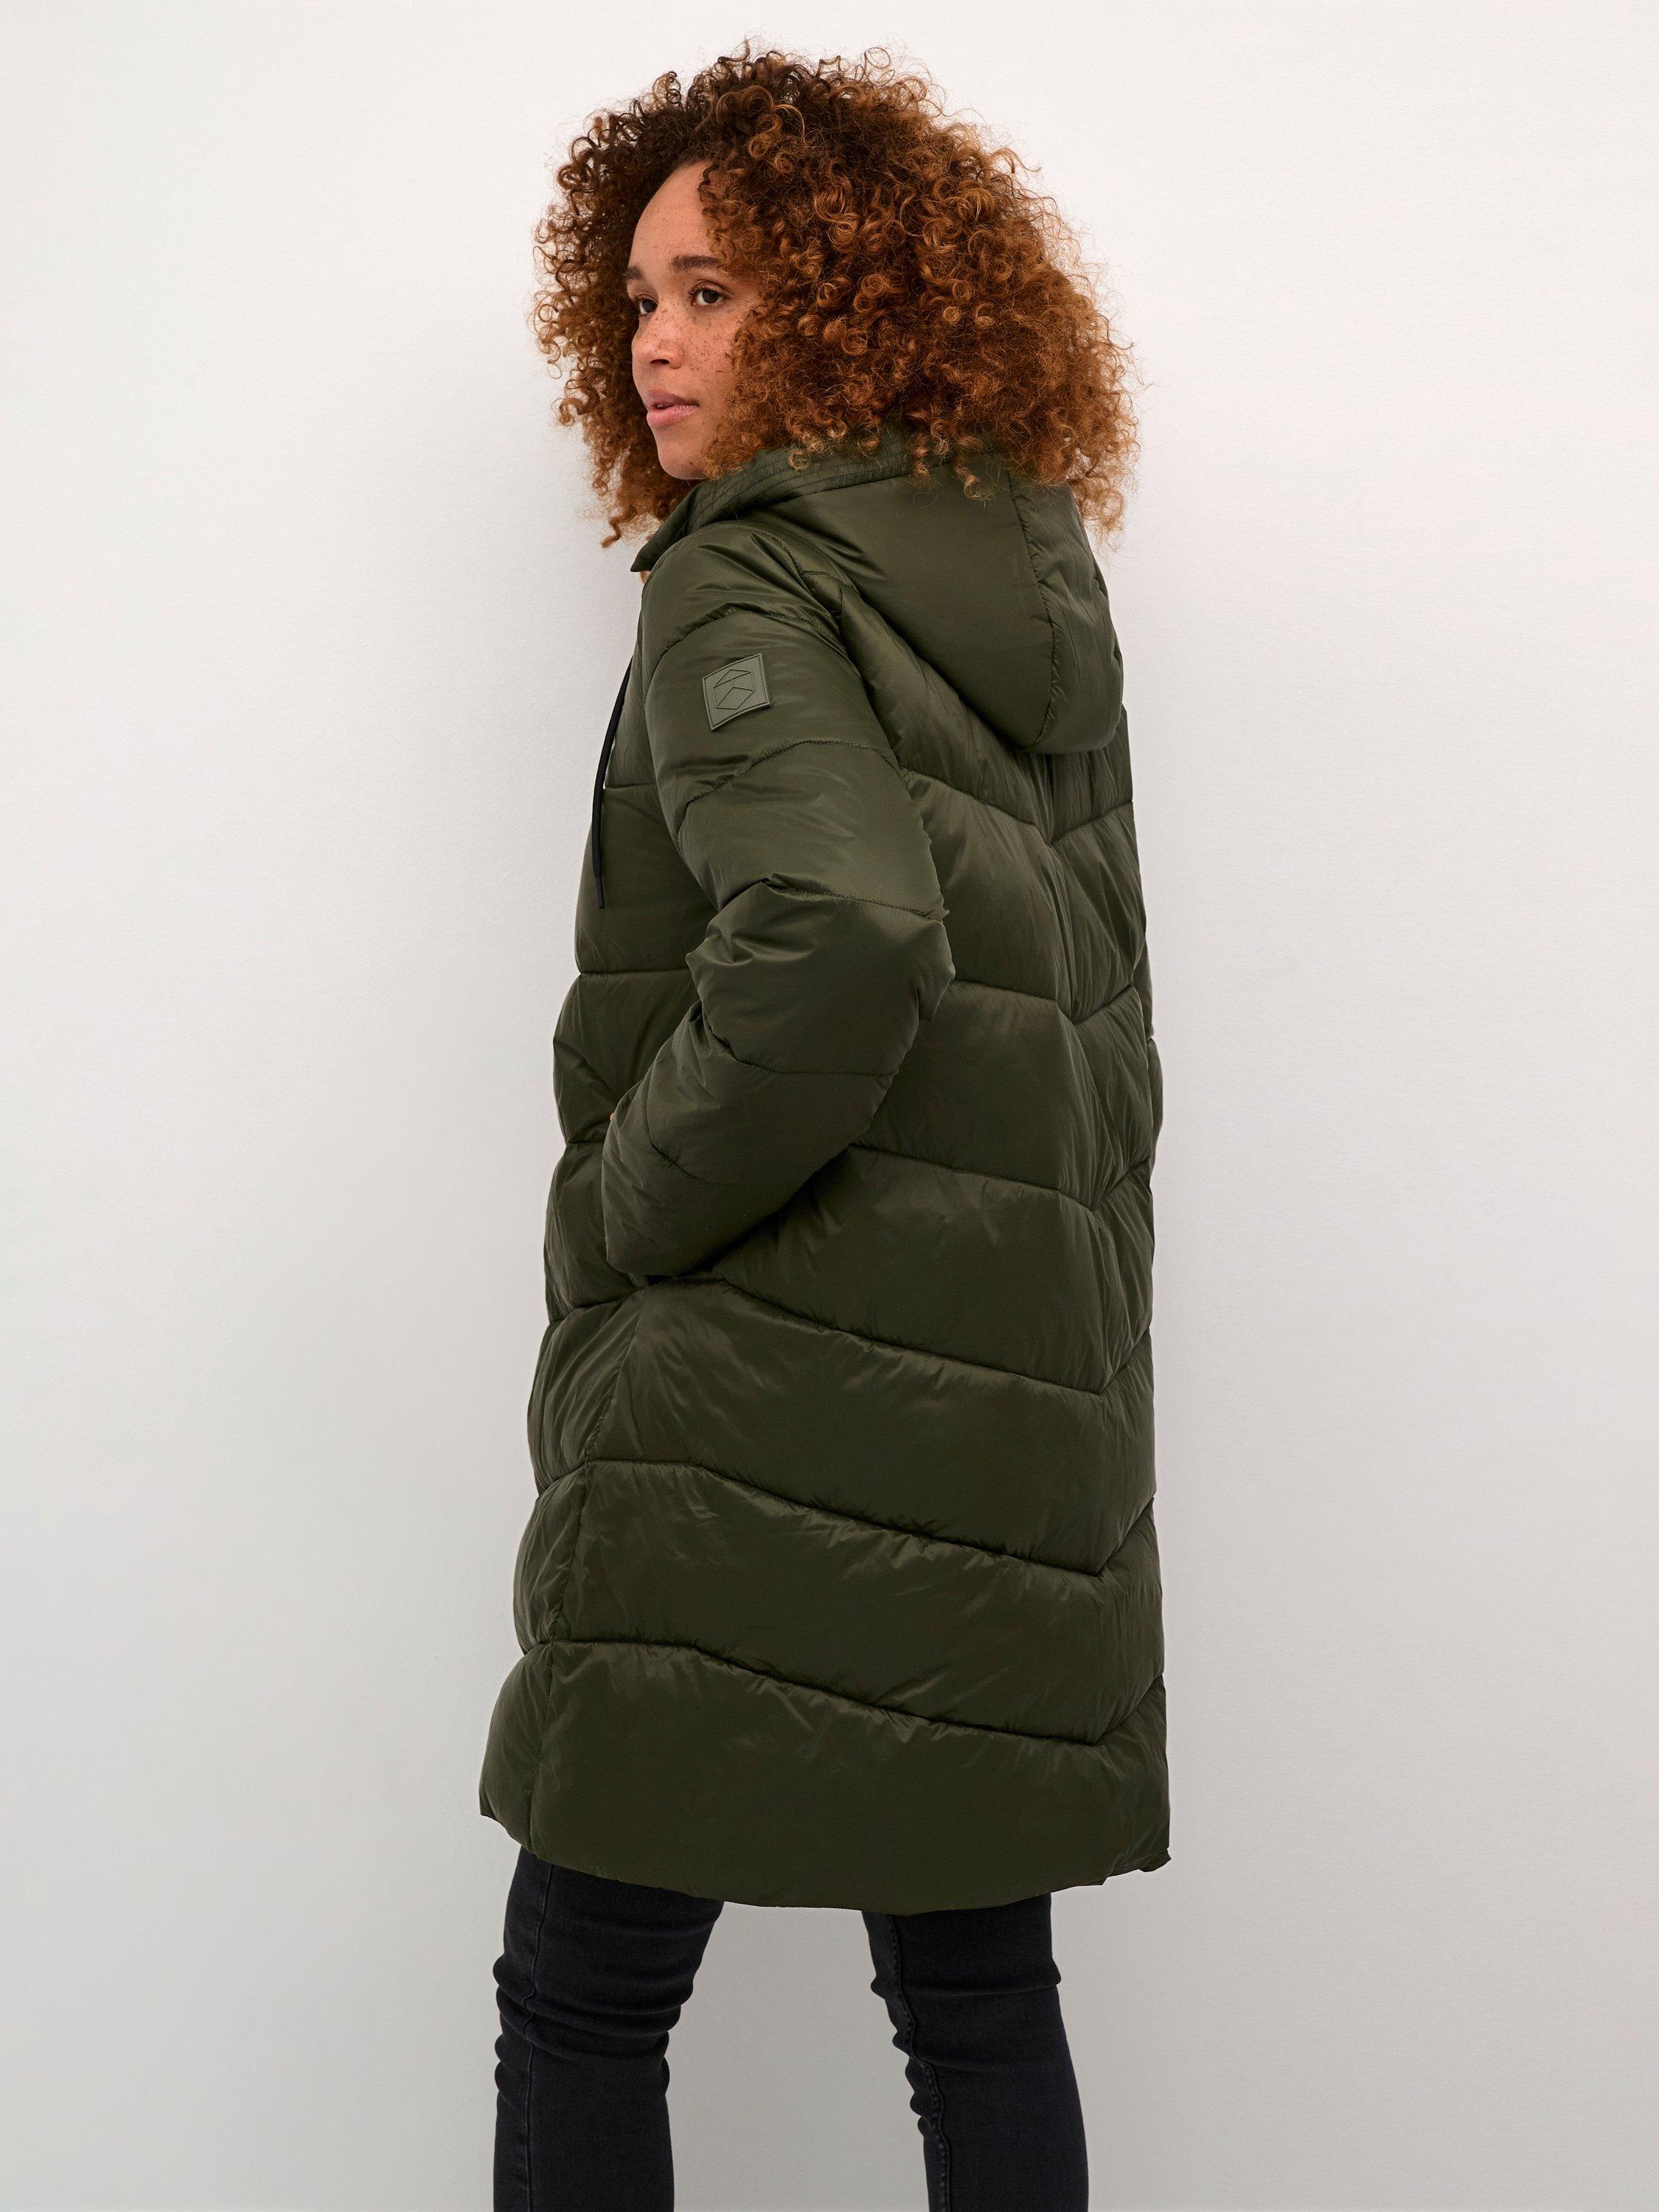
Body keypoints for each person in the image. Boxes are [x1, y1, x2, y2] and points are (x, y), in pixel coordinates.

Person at [479, 45, 1168, 2212]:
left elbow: (843, 933)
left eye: (713, 293)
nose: (651, 342)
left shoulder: (746, 583)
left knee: (584, 1990)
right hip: (1008, 1411)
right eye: (638, 296)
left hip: (754, 1403)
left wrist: (624, 1210)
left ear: (855, 311)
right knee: (974, 1999)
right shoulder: (1021, 580)